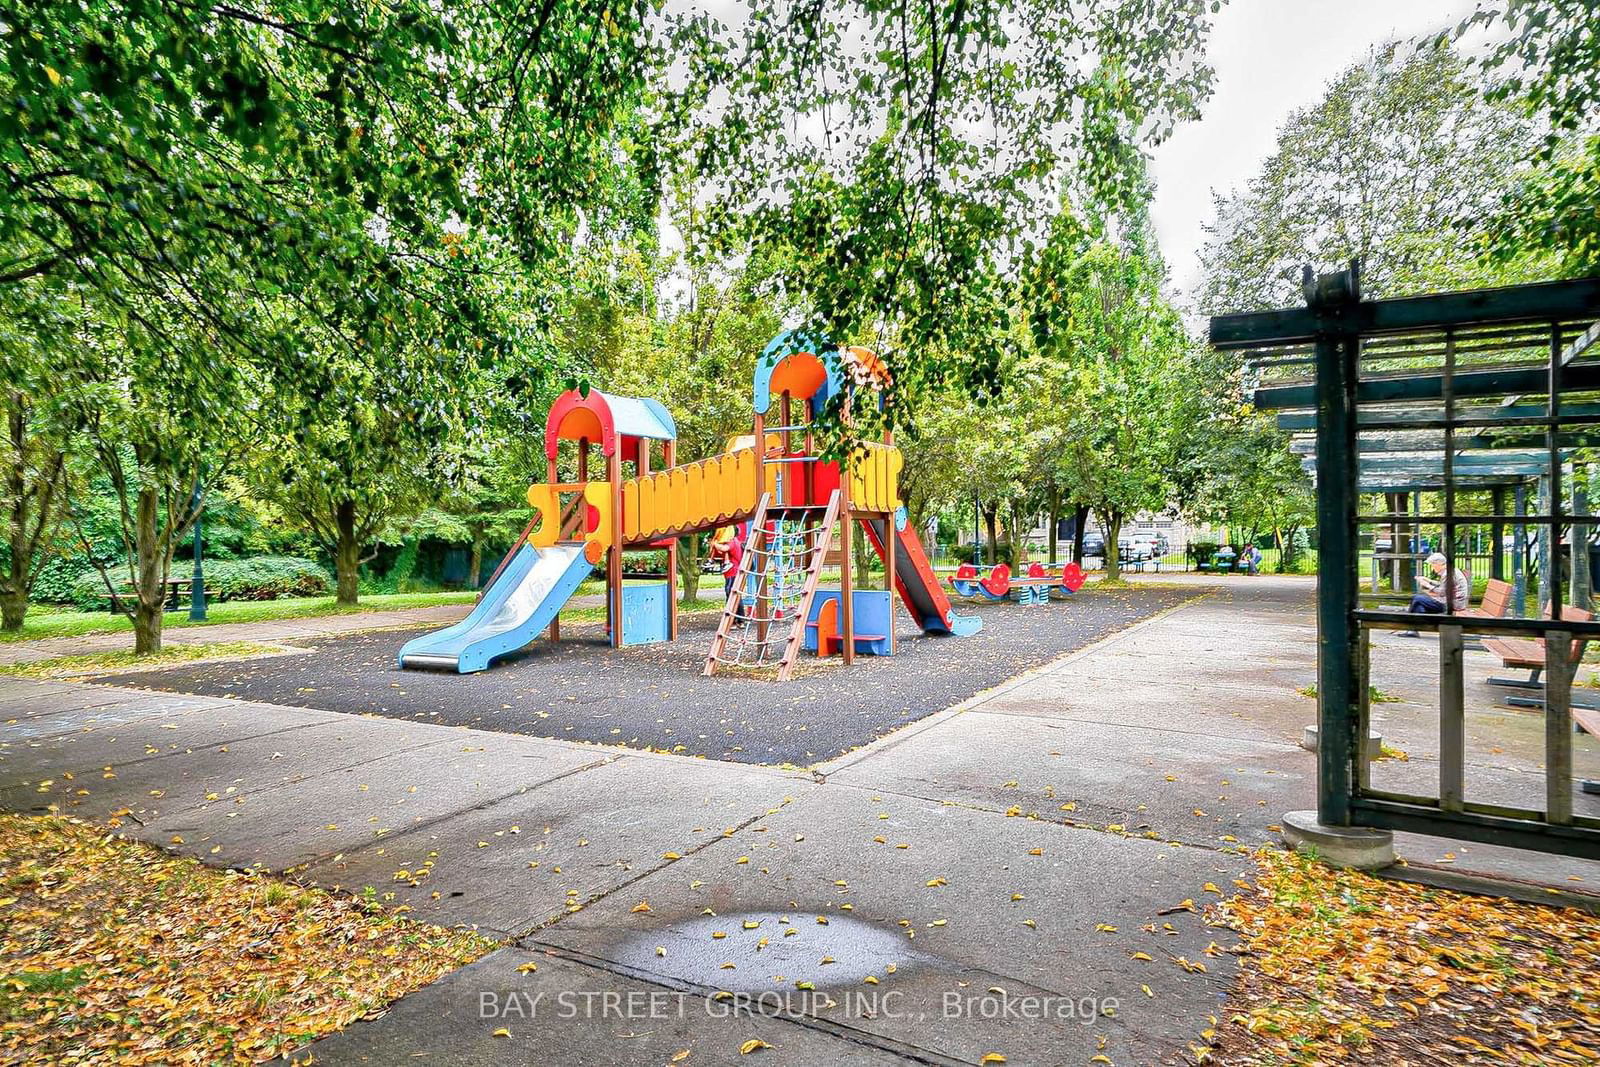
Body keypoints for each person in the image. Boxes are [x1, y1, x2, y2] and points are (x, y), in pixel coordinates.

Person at [1397, 552, 1469, 636]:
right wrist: (1429, 580)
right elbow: (1443, 585)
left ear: (1439, 564)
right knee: (1419, 605)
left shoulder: (1448, 574)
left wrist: (1427, 585)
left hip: (1451, 604)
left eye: (1432, 564)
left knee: (1417, 598)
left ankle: (1412, 628)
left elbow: (1442, 592)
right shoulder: (1450, 571)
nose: (1432, 567)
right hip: (1453, 602)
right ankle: (1413, 629)